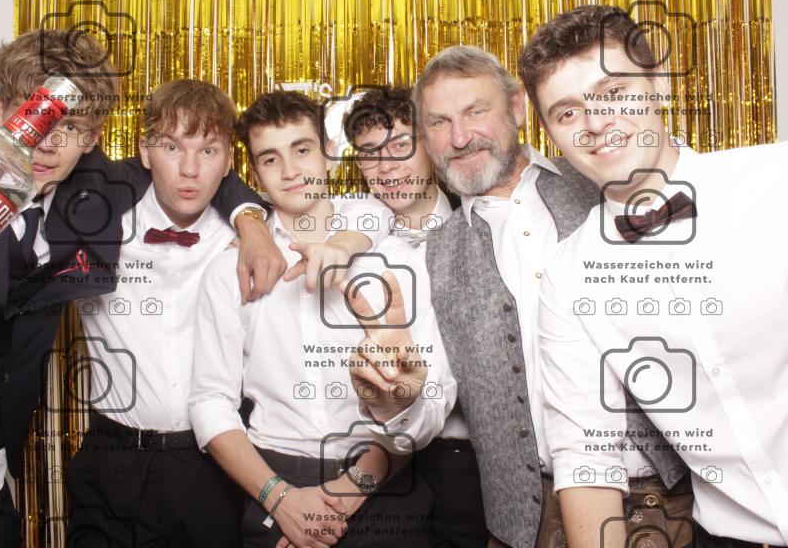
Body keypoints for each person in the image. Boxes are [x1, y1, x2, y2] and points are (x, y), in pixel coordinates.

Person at [0, 28, 284, 547]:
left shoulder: (94, 194)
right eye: (33, 116)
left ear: (92, 138)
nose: (47, 142)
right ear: (2, 110)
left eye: (70, 126)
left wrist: (251, 220)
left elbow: (197, 169)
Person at [519, 4, 788, 548]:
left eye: (613, 93)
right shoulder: (568, 276)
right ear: (549, 133)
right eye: (567, 113)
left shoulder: (775, 182)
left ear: (659, 84)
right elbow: (586, 457)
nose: (595, 125)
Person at [413, 45, 691, 548]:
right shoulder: (430, 254)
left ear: (518, 108)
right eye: (439, 122)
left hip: (671, 503)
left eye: (475, 111)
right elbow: (430, 402)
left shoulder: (607, 181)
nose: (460, 137)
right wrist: (396, 400)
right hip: (525, 524)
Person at [189, 90, 456, 548]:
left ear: (330, 155)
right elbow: (210, 402)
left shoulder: (398, 259)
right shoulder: (228, 270)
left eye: (302, 150)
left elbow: (434, 399)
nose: (290, 171)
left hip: (388, 484)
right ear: (255, 174)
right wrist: (280, 498)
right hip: (271, 480)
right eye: (270, 159)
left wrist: (349, 491)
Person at [344, 85, 489, 547]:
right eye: (370, 153)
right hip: (376, 464)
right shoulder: (351, 249)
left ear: (432, 145)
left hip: (470, 468)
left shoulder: (484, 233)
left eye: (401, 145)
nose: (386, 166)